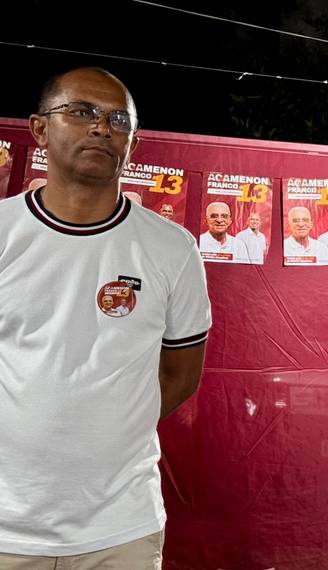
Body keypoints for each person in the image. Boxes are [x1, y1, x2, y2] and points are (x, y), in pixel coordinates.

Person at [0, 67, 211, 568]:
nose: (101, 127)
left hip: (121, 527)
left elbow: (181, 374)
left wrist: (107, 424)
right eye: (81, 112)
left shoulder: (172, 248)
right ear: (39, 130)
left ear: (132, 143)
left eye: (119, 119)